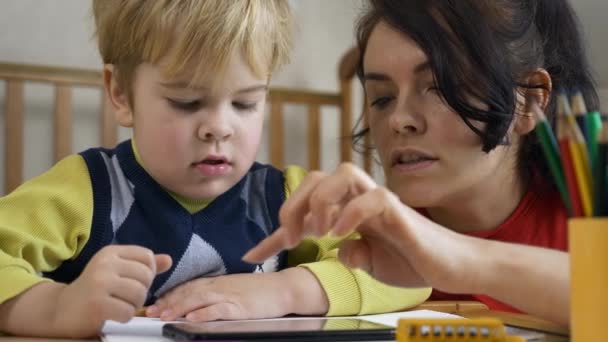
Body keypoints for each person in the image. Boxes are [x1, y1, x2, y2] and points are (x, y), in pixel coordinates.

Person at [0, 0, 431, 338]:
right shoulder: (86, 190)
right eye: (187, 102)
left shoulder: (287, 198)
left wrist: (282, 291)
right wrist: (60, 307)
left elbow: (412, 273)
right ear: (121, 94)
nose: (218, 128)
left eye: (245, 103)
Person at [244, 0, 600, 327]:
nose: (399, 120)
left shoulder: (588, 213)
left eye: (440, 88)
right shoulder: (370, 246)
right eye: (381, 98)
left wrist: (463, 261)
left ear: (528, 101)